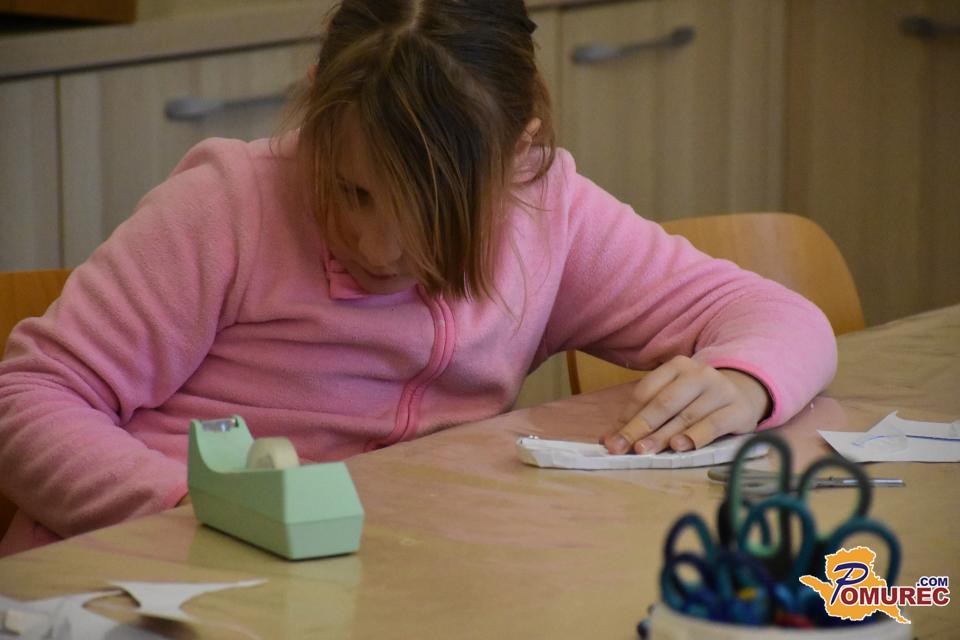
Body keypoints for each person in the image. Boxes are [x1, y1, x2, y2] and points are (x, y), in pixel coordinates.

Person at [0, 0, 835, 556]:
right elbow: (30, 398)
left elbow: (773, 314)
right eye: (352, 190)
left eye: (432, 214)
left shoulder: (548, 211)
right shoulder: (227, 207)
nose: (377, 245)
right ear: (319, 108)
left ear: (516, 156)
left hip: (380, 575)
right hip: (150, 575)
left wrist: (745, 381)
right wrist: (193, 509)